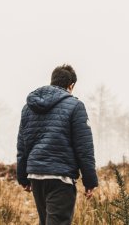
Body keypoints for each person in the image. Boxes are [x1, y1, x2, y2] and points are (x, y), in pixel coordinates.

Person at [17, 64, 98, 225]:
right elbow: (84, 148)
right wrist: (90, 181)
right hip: (60, 177)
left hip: (36, 175)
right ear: (71, 85)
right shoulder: (75, 106)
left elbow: (22, 146)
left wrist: (23, 178)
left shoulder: (28, 108)